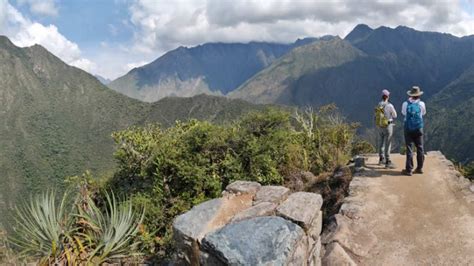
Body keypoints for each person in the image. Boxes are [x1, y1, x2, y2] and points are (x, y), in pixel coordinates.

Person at [401, 86, 426, 176]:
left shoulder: (405, 104)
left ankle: (409, 170)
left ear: (411, 95)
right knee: (420, 147)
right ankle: (420, 168)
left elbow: (403, 113)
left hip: (408, 128)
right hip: (419, 128)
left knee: (409, 148)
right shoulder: (422, 104)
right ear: (419, 95)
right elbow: (423, 113)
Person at [374, 89, 397, 168]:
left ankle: (381, 159)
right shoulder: (390, 105)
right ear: (387, 96)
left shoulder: (379, 105)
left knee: (381, 142)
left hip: (380, 126)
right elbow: (395, 115)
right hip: (388, 126)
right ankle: (388, 161)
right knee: (388, 143)